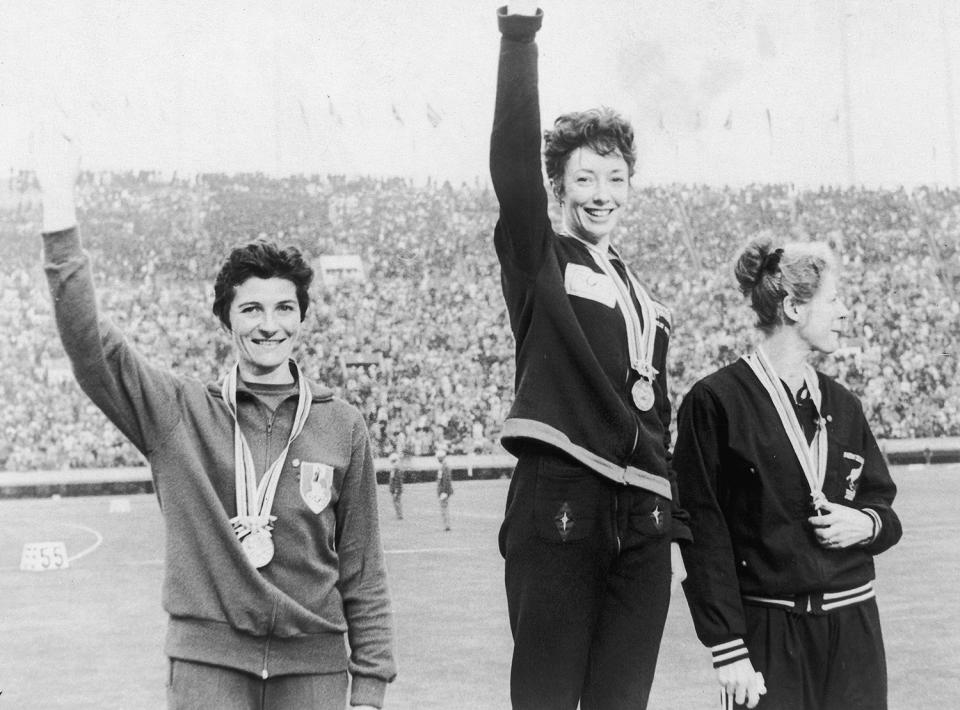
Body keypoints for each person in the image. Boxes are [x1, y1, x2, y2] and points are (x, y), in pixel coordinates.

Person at [34, 131, 395, 710]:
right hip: (209, 666)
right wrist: (58, 207)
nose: (268, 324)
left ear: (302, 317)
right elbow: (88, 347)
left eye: (284, 307)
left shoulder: (343, 424)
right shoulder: (179, 412)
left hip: (315, 669)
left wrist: (371, 688)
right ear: (226, 320)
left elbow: (363, 569)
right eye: (250, 308)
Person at [490, 4, 691, 708]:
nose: (601, 195)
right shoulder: (540, 257)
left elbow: (655, 410)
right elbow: (512, 166)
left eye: (614, 179)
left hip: (644, 513)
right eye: (584, 180)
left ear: (630, 185)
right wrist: (520, 38)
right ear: (559, 188)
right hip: (564, 492)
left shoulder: (647, 298)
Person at [674, 236, 902, 709]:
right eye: (833, 300)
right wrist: (727, 646)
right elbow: (703, 529)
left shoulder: (843, 403)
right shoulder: (715, 401)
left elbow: (882, 506)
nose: (845, 313)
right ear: (795, 308)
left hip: (854, 626)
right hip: (767, 633)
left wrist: (867, 523)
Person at [435, 448, 453, 531]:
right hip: (442, 491)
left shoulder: (445, 466)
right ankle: (446, 525)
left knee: (444, 508)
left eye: (438, 457)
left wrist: (444, 492)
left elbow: (446, 480)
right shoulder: (442, 466)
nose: (437, 459)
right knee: (444, 508)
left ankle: (447, 525)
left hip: (444, 491)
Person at [387, 452, 404, 520]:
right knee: (396, 502)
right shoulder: (394, 469)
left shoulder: (396, 469)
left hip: (396, 490)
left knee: (397, 502)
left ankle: (399, 515)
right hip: (394, 489)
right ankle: (398, 514)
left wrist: (396, 490)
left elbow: (397, 481)